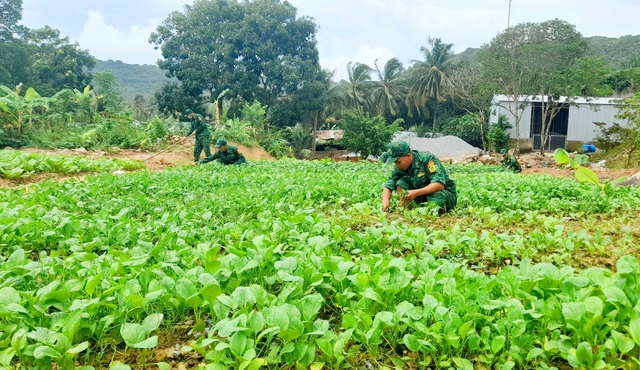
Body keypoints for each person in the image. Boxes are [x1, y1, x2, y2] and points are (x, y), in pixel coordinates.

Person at [381, 141, 457, 213]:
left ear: (408, 156)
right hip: (420, 195)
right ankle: (406, 208)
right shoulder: (400, 168)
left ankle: (432, 213)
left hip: (443, 193)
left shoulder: (427, 159)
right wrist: (385, 201)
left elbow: (439, 185)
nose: (397, 165)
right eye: (395, 163)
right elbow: (389, 185)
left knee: (436, 199)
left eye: (398, 162)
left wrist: (416, 193)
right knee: (401, 183)